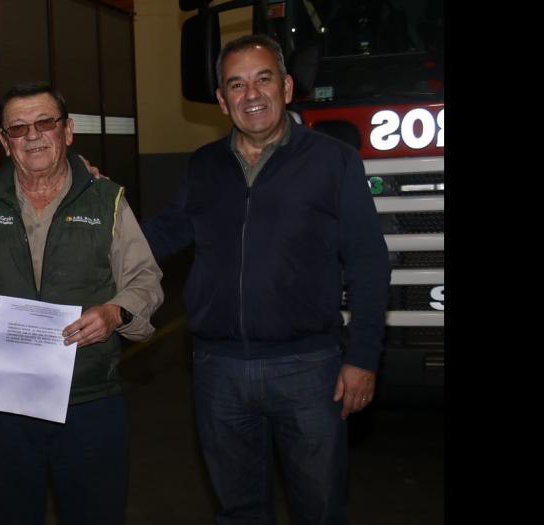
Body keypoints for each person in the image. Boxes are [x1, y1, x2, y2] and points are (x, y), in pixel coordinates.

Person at [141, 35, 390, 524]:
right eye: (236, 84)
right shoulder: (204, 166)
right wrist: (91, 208)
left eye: (263, 79)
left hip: (309, 370)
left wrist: (362, 357)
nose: (251, 94)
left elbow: (368, 261)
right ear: (221, 100)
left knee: (319, 509)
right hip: (219, 372)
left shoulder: (332, 161)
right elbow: (161, 235)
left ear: (287, 86)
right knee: (239, 511)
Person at [0, 81, 164, 525]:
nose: (33, 136)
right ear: (5, 142)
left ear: (68, 131)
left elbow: (146, 281)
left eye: (46, 123)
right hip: (1, 406)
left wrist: (113, 312)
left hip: (87, 400)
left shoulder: (108, 200)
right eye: (19, 128)